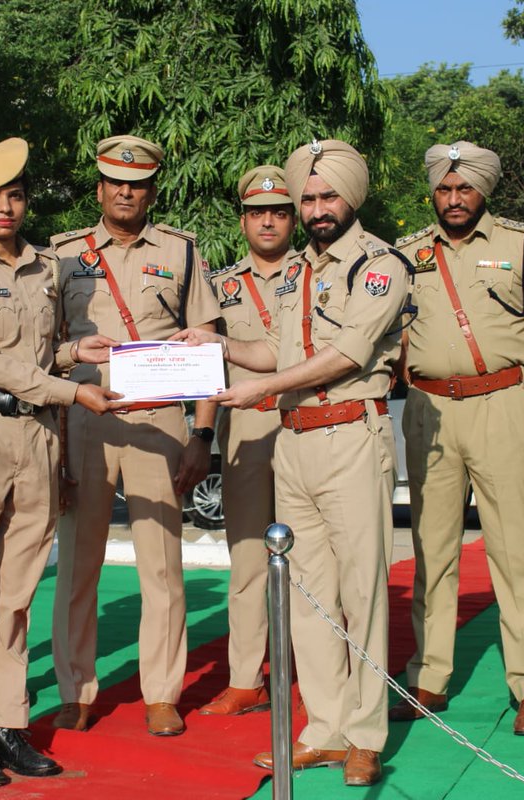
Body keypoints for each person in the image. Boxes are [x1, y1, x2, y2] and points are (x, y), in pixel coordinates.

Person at [174, 139, 409, 786]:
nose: (314, 207)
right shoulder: (298, 270)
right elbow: (275, 348)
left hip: (349, 435)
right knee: (307, 598)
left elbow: (348, 353)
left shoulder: (381, 265)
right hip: (294, 441)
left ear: (351, 197)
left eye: (326, 195)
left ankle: (365, 734)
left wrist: (263, 388)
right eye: (308, 197)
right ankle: (325, 729)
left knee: (362, 592)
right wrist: (217, 343)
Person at [0, 138, 120, 787]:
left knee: (16, 598)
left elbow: (36, 357)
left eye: (15, 195)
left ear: (24, 200)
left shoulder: (48, 266)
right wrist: (72, 388)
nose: (4, 207)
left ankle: (6, 725)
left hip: (35, 438)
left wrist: (73, 354)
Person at [390, 141, 524, 736]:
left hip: (501, 404)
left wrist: (517, 389)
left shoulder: (523, 248)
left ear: (482, 191)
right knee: (431, 549)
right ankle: (428, 677)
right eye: (443, 190)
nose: (453, 199)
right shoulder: (408, 253)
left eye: (463, 189)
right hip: (429, 411)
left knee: (515, 549)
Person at [49, 134, 221, 737]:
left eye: (138, 183)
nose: (126, 191)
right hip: (86, 421)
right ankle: (76, 690)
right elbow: (43, 349)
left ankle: (162, 692)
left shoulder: (181, 252)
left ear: (151, 190)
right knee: (77, 565)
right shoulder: (62, 256)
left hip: (159, 421)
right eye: (115, 182)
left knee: (162, 565)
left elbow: (206, 347)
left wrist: (203, 434)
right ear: (99, 188)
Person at [197, 165, 296, 717]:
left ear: (292, 219)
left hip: (308, 422)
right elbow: (211, 366)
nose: (267, 221)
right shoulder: (221, 285)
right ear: (242, 221)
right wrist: (203, 433)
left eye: (279, 212)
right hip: (248, 428)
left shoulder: (315, 275)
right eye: (257, 212)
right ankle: (244, 678)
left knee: (317, 559)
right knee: (247, 558)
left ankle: (323, 669)